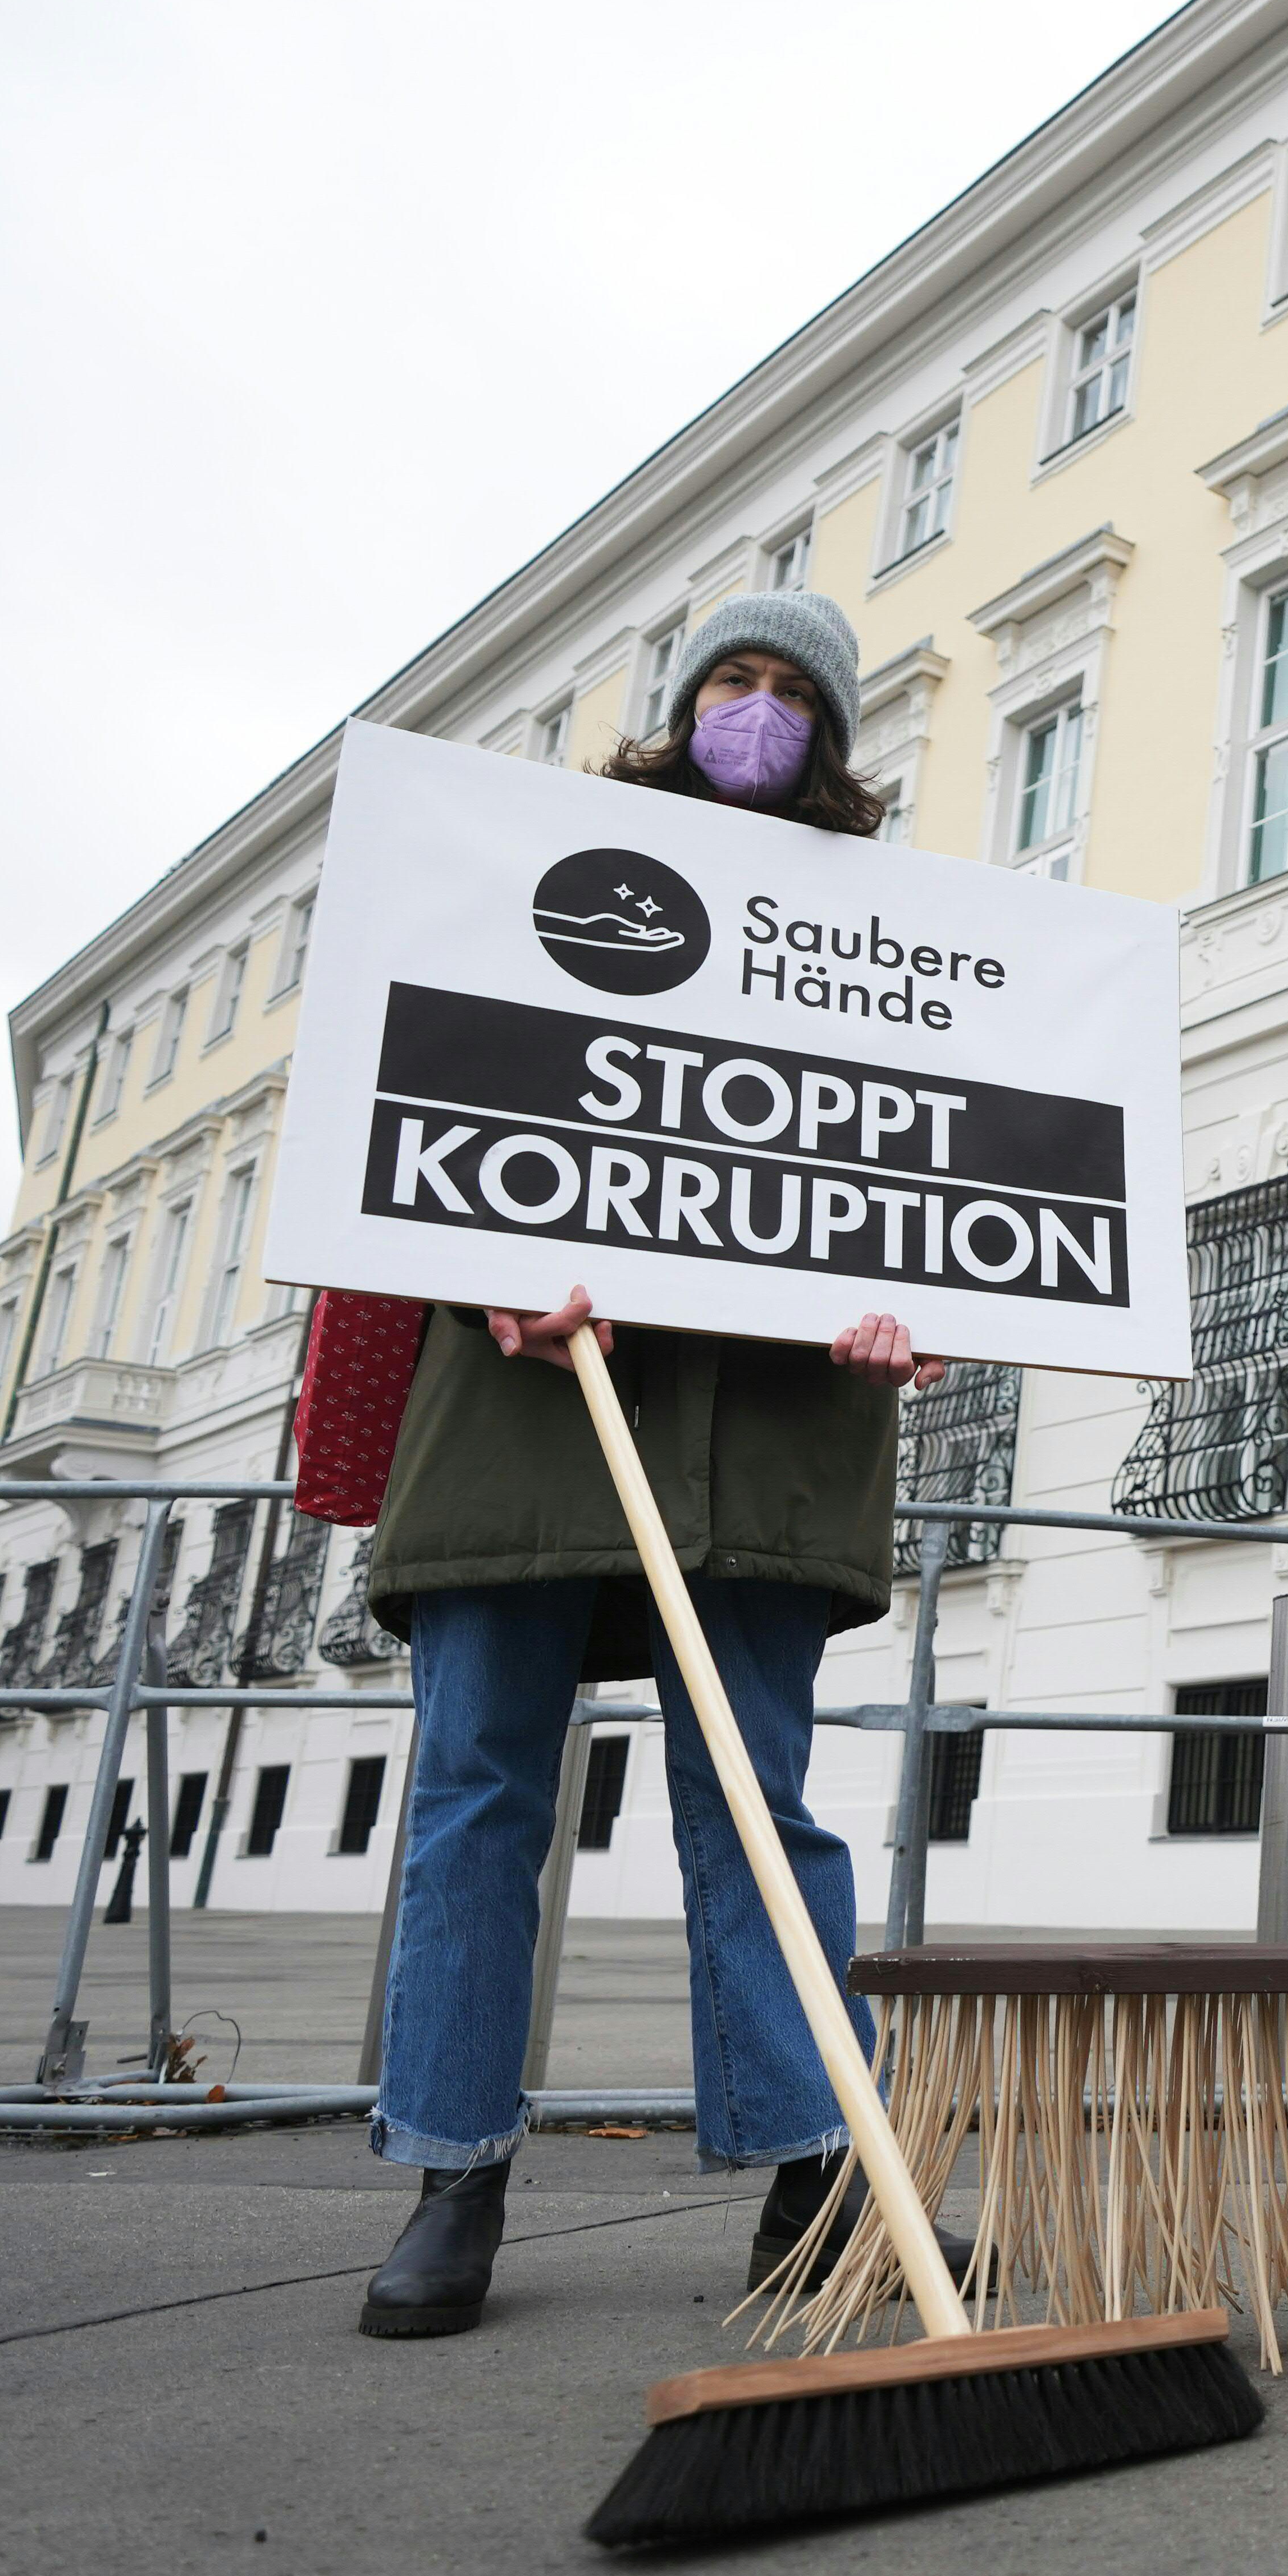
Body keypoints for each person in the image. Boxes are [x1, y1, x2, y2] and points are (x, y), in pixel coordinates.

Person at [352, 592, 959, 2339]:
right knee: (479, 1797)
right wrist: (490, 1262)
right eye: (733, 679)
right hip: (531, 1408)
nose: (758, 711)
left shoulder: (888, 931)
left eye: (792, 693)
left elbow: (924, 1168)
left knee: (760, 1805)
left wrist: (906, 1304)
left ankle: (814, 2180)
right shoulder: (539, 868)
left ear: (836, 739)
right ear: (681, 702)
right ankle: (451, 2171)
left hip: (767, 1436)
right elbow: (433, 1091)